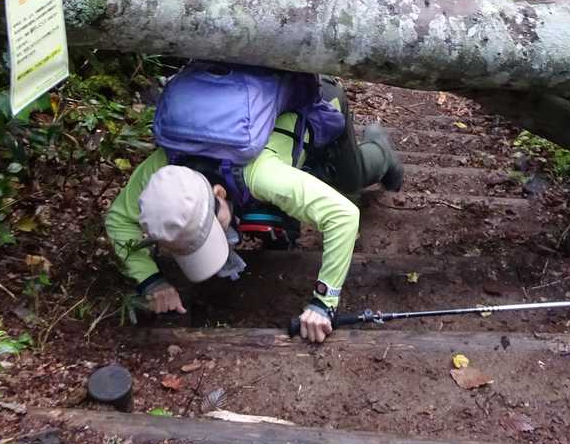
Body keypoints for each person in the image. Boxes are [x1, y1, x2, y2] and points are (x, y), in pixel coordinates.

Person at [104, 77, 402, 343]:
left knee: (349, 180)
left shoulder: (261, 174)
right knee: (266, 208)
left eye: (214, 230)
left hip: (314, 98)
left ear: (218, 193)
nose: (221, 235)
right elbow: (118, 219)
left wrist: (324, 303)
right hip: (246, 109)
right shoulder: (161, 170)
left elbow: (343, 216)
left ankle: (381, 150)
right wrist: (151, 280)